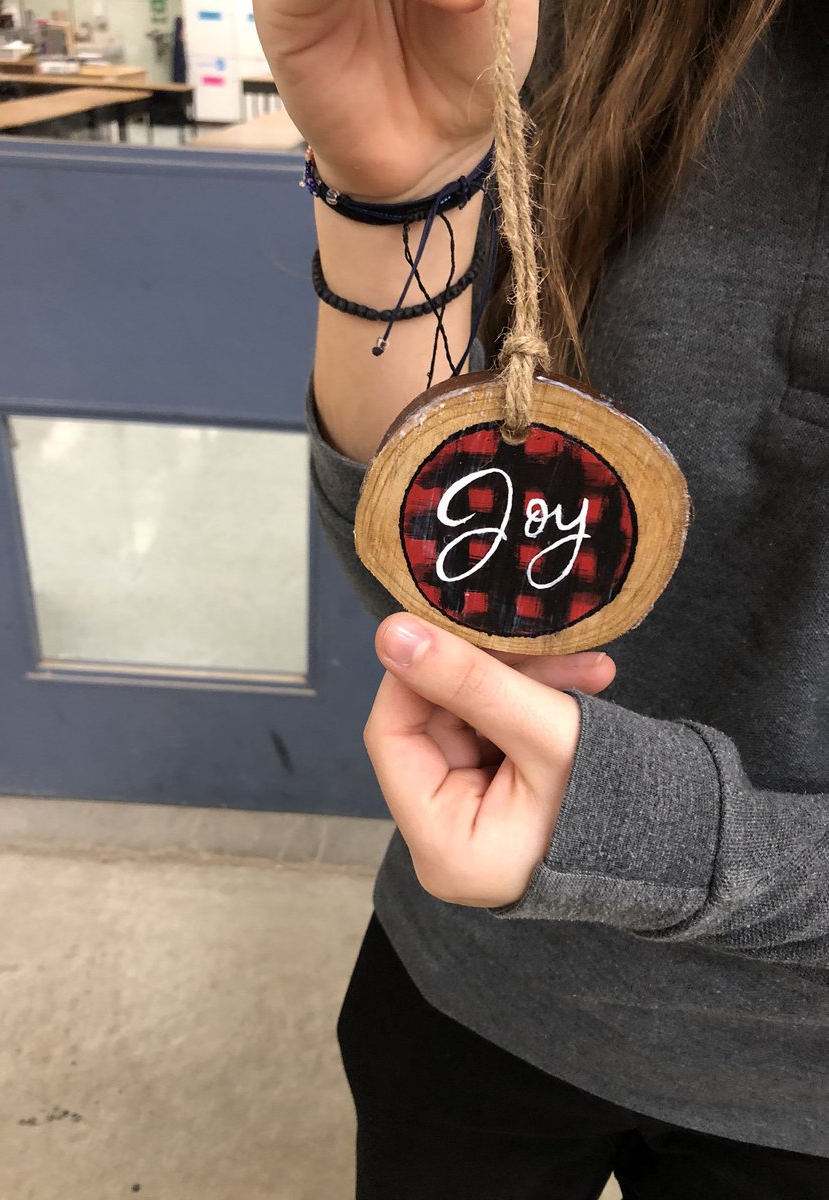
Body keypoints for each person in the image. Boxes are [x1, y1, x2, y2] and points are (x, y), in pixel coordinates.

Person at [255, 1, 829, 1196]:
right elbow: (417, 586)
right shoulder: (582, 23)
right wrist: (398, 192)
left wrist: (637, 829)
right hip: (471, 978)